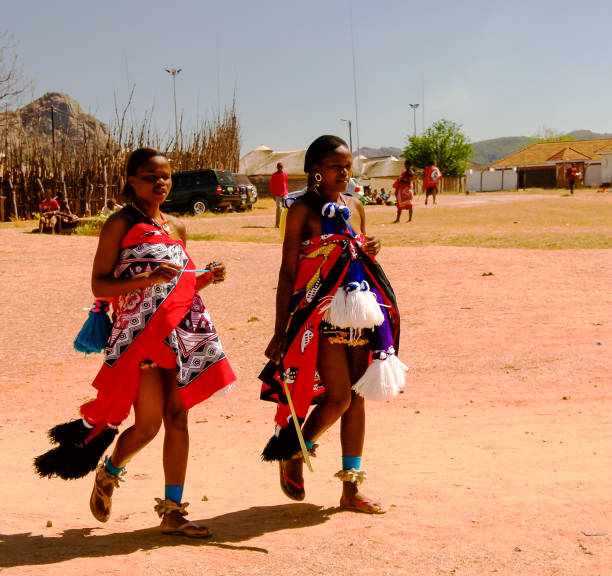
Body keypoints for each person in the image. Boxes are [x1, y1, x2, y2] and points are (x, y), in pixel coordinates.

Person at [34, 148, 236, 537]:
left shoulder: (176, 226)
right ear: (131, 179)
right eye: (150, 176)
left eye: (165, 176)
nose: (159, 182)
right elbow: (100, 285)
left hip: (181, 334)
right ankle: (109, 473)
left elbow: (181, 282)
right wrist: (148, 279)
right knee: (147, 427)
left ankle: (173, 511)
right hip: (138, 338)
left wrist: (208, 277)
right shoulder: (119, 224)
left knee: (178, 417)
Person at [260, 135, 405, 515]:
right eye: (336, 166)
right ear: (315, 170)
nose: (344, 172)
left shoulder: (355, 207)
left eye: (347, 167)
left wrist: (367, 249)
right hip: (319, 315)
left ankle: (351, 490)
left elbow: (352, 250)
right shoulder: (302, 211)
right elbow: (289, 268)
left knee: (356, 397)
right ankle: (295, 449)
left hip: (360, 312)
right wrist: (280, 329)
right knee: (338, 397)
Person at [270, 162, 289, 228]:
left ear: (282, 168)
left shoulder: (285, 174)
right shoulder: (274, 175)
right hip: (277, 195)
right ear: (277, 168)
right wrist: (273, 195)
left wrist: (287, 192)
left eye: (281, 167)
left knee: (286, 209)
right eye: (279, 167)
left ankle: (286, 224)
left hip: (285, 194)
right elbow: (272, 186)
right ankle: (277, 224)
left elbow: (286, 184)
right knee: (279, 208)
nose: (280, 169)